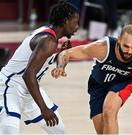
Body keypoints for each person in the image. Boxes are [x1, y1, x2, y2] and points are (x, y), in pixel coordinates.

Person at [51, 24, 132, 134]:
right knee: (102, 131)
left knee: (109, 111)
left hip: (123, 82)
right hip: (98, 84)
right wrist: (60, 67)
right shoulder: (102, 48)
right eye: (126, 46)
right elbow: (66, 53)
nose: (130, 51)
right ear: (119, 40)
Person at [0, 1, 79, 134]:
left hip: (29, 89)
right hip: (10, 86)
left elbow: (48, 58)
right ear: (65, 21)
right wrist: (43, 108)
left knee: (58, 130)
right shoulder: (49, 41)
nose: (77, 27)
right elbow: (28, 74)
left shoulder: (48, 35)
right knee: (10, 130)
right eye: (75, 22)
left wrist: (60, 62)